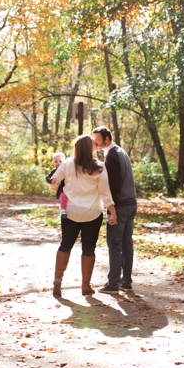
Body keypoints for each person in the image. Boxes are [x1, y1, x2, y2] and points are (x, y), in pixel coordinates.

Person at [49, 135, 117, 297]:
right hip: (92, 213)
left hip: (70, 212)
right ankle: (85, 286)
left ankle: (58, 279)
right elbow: (105, 192)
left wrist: (59, 191)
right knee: (88, 247)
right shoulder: (99, 167)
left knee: (65, 244)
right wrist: (112, 210)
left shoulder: (67, 164)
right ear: (90, 148)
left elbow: (54, 182)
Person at [93, 126, 138, 293]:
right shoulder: (121, 151)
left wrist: (112, 210)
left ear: (107, 139)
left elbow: (115, 185)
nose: (96, 143)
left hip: (121, 205)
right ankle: (126, 281)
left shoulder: (111, 156)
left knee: (115, 245)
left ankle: (113, 283)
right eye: (94, 140)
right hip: (131, 203)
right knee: (127, 244)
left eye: (98, 140)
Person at [45, 151, 68, 216]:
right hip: (61, 188)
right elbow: (47, 178)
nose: (58, 163)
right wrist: (51, 180)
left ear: (64, 162)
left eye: (60, 161)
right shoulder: (54, 171)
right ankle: (63, 210)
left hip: (68, 186)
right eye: (56, 161)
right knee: (63, 195)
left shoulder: (67, 169)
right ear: (53, 163)